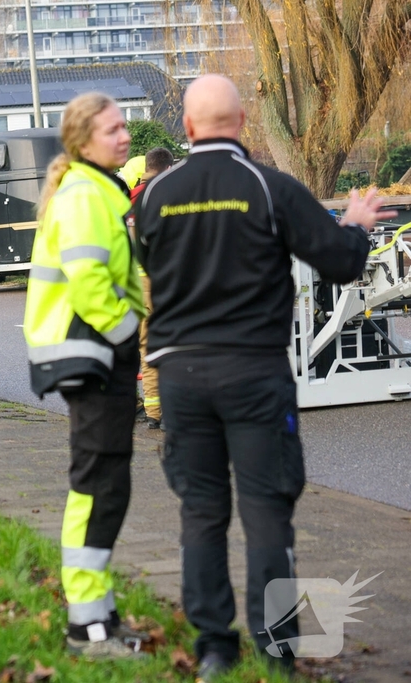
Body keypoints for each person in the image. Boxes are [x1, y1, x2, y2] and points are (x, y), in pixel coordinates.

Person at [134, 74, 393, 680]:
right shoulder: (270, 187)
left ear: (189, 128)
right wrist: (355, 221)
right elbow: (340, 261)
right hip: (253, 372)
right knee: (267, 510)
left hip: (179, 374)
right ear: (244, 122)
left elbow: (148, 261)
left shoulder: (152, 196)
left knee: (201, 511)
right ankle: (278, 651)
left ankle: (213, 650)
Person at [21, 92, 147, 659]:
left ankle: (97, 614)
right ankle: (87, 627)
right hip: (93, 355)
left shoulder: (95, 188)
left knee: (103, 486)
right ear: (83, 140)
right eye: (114, 129)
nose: (125, 136)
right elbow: (92, 283)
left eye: (125, 127)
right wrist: (130, 337)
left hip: (90, 355)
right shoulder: (86, 194)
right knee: (98, 488)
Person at [129, 147, 174, 430]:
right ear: (168, 169)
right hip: (158, 280)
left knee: (139, 347)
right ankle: (163, 412)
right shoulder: (165, 197)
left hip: (129, 283)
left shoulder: (126, 199)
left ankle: (148, 410)